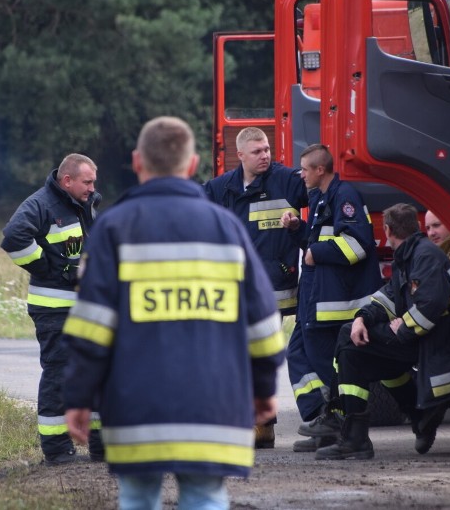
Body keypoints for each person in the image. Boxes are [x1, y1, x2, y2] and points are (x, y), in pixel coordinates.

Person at [62, 116, 285, 510]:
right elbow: (264, 323)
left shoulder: (112, 229)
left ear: (136, 162)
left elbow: (91, 327)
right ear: (194, 164)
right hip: (214, 407)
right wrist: (265, 389)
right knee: (204, 497)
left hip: (135, 409)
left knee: (138, 498)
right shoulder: (227, 229)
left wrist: (79, 396)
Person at [313, 202, 450, 460]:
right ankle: (410, 418)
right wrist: (363, 318)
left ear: (388, 230)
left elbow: (431, 305)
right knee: (357, 345)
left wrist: (403, 327)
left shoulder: (424, 257)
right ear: (416, 228)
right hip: (434, 338)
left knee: (352, 348)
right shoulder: (412, 254)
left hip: (443, 345)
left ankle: (349, 431)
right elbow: (390, 297)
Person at [204, 126, 308, 448]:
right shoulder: (221, 188)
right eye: (258, 151)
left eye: (267, 149)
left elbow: (320, 194)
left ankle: (262, 426)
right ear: (241, 156)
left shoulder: (286, 180)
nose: (266, 155)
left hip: (272, 289)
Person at [0, 153, 103, 466]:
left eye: (94, 181)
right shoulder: (41, 204)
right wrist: (48, 268)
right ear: (67, 180)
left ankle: (102, 447)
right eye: (87, 182)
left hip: (85, 307)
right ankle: (57, 450)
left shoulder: (83, 204)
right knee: (59, 375)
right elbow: (14, 237)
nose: (92, 187)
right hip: (54, 309)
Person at [279, 144, 382, 452]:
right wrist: (298, 229)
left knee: (326, 363)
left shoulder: (344, 196)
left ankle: (340, 424)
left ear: (320, 170)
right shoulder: (321, 197)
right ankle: (322, 419)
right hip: (315, 299)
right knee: (297, 354)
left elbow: (357, 245)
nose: (301, 175)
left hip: (333, 301)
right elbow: (313, 242)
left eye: (305, 169)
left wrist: (315, 252)